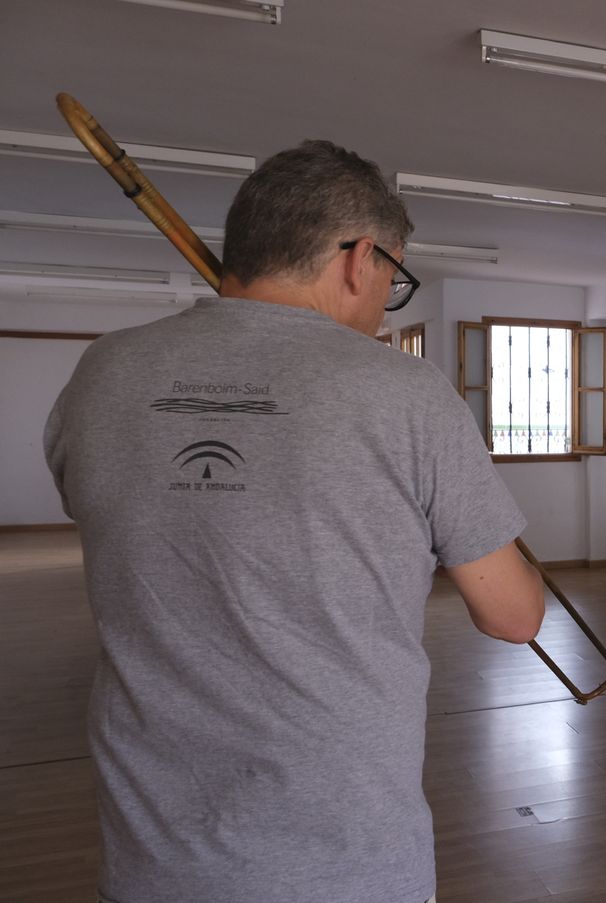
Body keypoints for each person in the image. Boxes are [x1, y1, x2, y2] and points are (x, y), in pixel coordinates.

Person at [44, 140, 546, 903]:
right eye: (393, 276)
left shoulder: (102, 373)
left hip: (151, 858)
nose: (385, 297)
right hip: (348, 864)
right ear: (358, 258)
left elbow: (105, 506)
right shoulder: (407, 394)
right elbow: (516, 615)